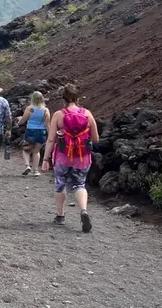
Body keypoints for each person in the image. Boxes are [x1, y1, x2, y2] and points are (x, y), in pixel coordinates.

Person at [42, 84, 99, 232]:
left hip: (63, 156)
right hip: (82, 157)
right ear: (77, 98)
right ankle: (84, 210)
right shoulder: (87, 113)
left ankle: (60, 216)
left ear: (63, 99)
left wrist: (45, 159)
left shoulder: (59, 115)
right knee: (80, 184)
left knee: (60, 183)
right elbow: (95, 138)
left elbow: (50, 139)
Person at [18, 91, 50, 177]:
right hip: (41, 132)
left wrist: (19, 123)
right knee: (36, 151)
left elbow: (23, 120)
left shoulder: (30, 108)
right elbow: (47, 124)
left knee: (26, 149)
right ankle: (35, 170)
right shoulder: (45, 110)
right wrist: (50, 134)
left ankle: (27, 165)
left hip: (30, 131)